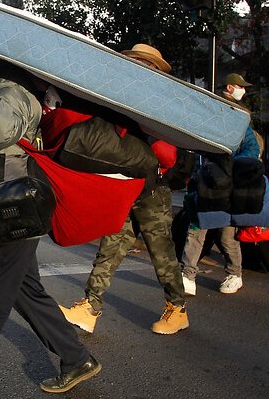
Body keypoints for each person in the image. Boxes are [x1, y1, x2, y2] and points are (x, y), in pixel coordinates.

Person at [0, 38, 99, 397]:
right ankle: (76, 359)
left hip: (4, 215)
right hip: (7, 211)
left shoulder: (16, 91)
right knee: (26, 290)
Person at [59, 44, 189, 335]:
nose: (135, 67)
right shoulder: (123, 98)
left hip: (152, 190)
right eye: (132, 62)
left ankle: (177, 309)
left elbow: (167, 155)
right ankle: (90, 307)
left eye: (141, 63)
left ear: (154, 70)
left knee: (161, 252)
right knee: (111, 247)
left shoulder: (158, 103)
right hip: (126, 185)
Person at [180, 72, 261, 296]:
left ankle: (228, 274)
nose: (242, 90)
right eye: (239, 86)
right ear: (229, 87)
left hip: (222, 181)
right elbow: (251, 151)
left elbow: (251, 150)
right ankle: (192, 275)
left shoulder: (239, 117)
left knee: (218, 232)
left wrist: (226, 165)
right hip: (214, 181)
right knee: (203, 229)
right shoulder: (232, 115)